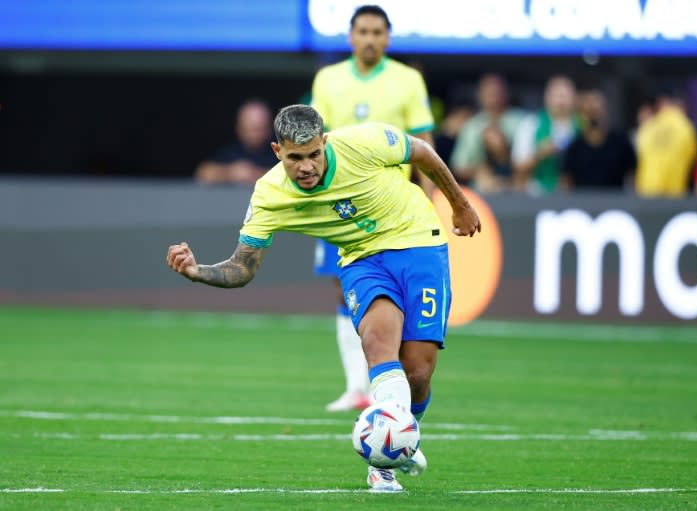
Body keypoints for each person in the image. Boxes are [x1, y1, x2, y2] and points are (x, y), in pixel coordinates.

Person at [167, 104, 480, 492]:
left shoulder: (362, 143)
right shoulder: (269, 195)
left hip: (418, 241)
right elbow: (242, 268)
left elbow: (422, 152)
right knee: (378, 341)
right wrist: (199, 272)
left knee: (417, 372)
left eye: (314, 154)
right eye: (295, 158)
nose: (307, 166)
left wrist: (460, 204)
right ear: (277, 151)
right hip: (360, 259)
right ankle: (383, 460)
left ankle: (404, 433)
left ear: (325, 143)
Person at [310, 4, 437, 412]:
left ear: (388, 37)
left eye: (377, 32)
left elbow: (423, 144)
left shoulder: (408, 80)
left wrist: (432, 200)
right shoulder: (328, 79)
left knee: (394, 299)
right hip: (339, 207)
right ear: (351, 36)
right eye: (362, 31)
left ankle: (385, 386)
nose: (369, 39)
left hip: (395, 212)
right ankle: (356, 387)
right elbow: (314, 145)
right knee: (341, 289)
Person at [450, 74, 526, 193]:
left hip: (518, 190)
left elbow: (529, 159)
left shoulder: (520, 121)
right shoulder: (472, 126)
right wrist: (479, 171)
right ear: (480, 95)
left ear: (506, 94)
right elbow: (458, 166)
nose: (493, 98)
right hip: (481, 192)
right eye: (489, 93)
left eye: (497, 93)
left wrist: (503, 151)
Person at [513, 75, 580, 195]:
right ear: (547, 97)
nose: (561, 101)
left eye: (565, 96)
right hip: (537, 193)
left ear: (574, 99)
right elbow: (518, 167)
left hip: (576, 194)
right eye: (557, 96)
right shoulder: (531, 124)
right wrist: (541, 153)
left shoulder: (582, 126)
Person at [561, 89, 637, 191]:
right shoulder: (574, 147)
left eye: (596, 110)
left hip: (616, 203)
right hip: (582, 203)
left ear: (605, 110)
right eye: (588, 112)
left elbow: (633, 176)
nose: (593, 117)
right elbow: (566, 182)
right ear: (581, 114)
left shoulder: (621, 142)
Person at [635, 86, 697, 198]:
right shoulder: (686, 126)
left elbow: (639, 153)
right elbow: (693, 156)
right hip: (675, 192)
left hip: (647, 191)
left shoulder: (648, 126)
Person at [195, 100, 276, 185]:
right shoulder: (231, 152)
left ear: (269, 129)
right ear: (238, 128)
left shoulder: (278, 152)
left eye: (258, 129)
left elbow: (288, 177)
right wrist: (230, 172)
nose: (254, 135)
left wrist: (255, 174)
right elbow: (202, 173)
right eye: (249, 129)